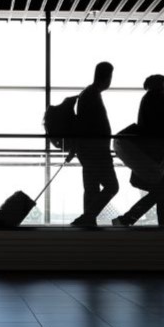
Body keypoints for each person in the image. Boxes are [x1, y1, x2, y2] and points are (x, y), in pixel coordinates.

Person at [113, 74, 164, 228]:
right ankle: (128, 219)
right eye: (163, 85)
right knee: (162, 192)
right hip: (159, 153)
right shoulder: (156, 100)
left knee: (161, 192)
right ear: (156, 85)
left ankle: (135, 220)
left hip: (157, 153)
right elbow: (158, 127)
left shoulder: (150, 100)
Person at [69, 61, 119, 228]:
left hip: (89, 150)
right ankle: (88, 217)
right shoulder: (91, 95)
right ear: (107, 76)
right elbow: (86, 125)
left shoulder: (89, 93)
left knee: (92, 188)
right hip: (96, 150)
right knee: (112, 186)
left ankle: (88, 220)